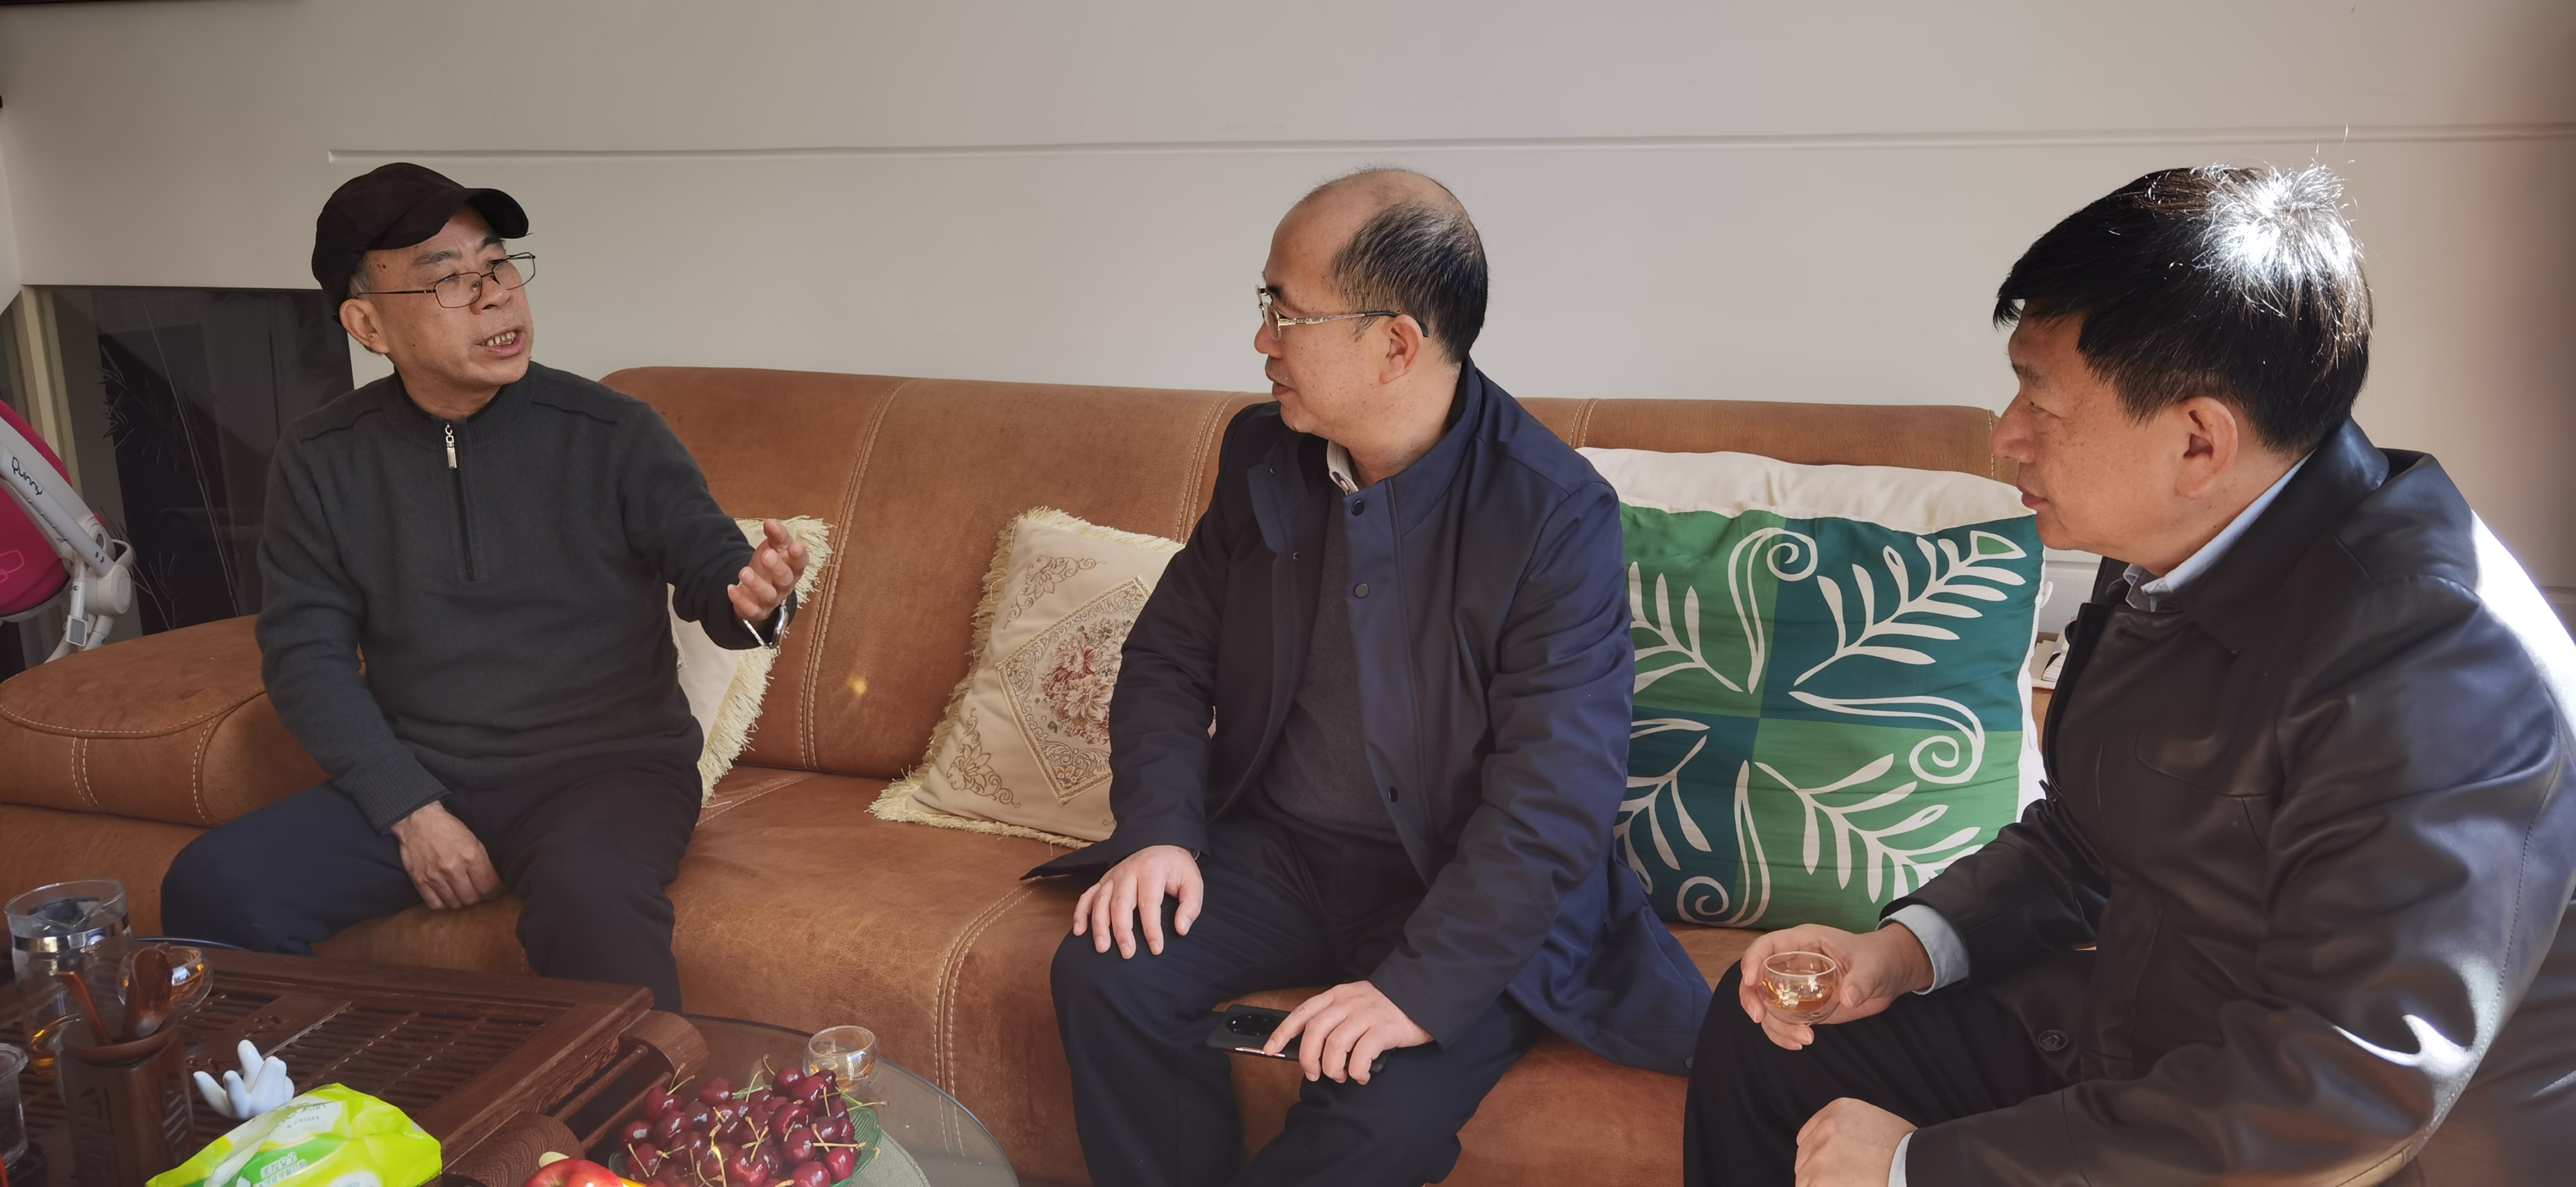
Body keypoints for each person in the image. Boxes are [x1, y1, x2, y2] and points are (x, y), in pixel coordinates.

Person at [1683, 163, 2576, 1186]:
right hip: (2157, 1042)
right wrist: (1904, 951)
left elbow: (2350, 1091)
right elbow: (2095, 832)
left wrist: (1924, 1168)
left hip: (2345, 1151)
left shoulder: (2438, 664)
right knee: (1773, 1038)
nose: (2005, 436)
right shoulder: (2182, 538)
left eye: (2041, 401)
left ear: (2198, 442)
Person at [1033, 168, 1711, 1186]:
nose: (1262, 340)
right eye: (1265, 306)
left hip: (1453, 881)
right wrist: (1162, 831)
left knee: (1383, 1114)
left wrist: (1418, 990)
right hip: (1280, 852)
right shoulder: (1264, 452)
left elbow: (1554, 798)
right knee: (1107, 974)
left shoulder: (1554, 517)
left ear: (1395, 345)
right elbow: (1170, 655)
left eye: (1286, 314)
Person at [162, 163, 807, 1011]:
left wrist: (752, 597)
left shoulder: (611, 431)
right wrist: (411, 810)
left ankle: (645, 1106)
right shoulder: (323, 459)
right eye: (449, 280)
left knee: (592, 901)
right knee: (214, 886)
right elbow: (304, 658)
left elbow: (709, 561)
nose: (496, 296)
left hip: (610, 776)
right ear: (367, 324)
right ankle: (311, 1093)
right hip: (430, 772)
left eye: (498, 265)